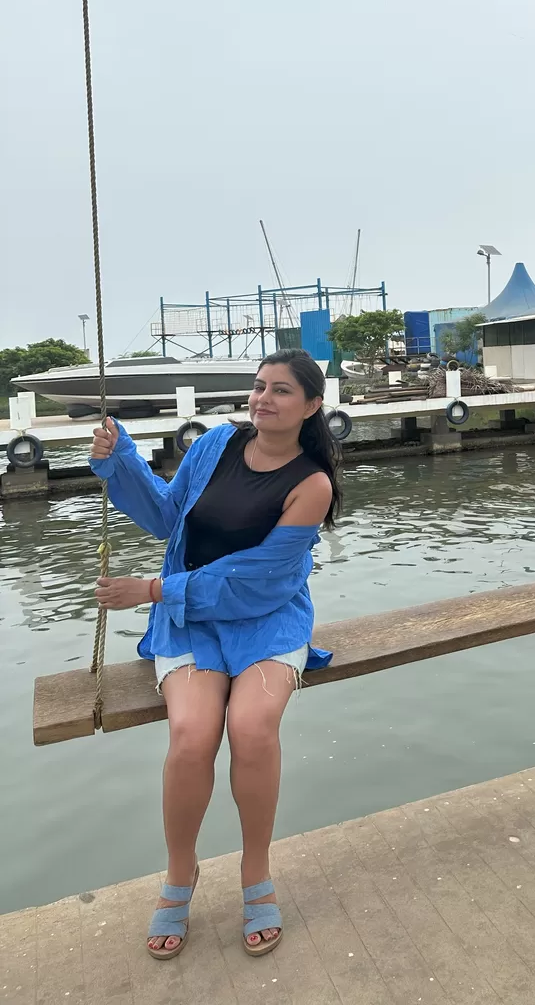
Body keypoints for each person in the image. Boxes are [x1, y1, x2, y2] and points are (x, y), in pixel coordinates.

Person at [90, 348, 341, 961]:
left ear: (311, 407)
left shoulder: (312, 484)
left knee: (251, 728)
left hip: (266, 618)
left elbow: (258, 578)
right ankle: (181, 874)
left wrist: (151, 590)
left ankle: (256, 872)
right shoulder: (214, 446)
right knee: (191, 734)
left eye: (281, 391)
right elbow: (167, 516)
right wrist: (120, 457)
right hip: (192, 621)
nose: (263, 399)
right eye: (259, 387)